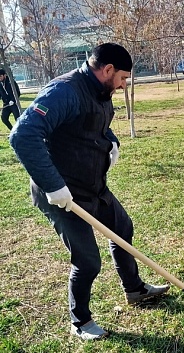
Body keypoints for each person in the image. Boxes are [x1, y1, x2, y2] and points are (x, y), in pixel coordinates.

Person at [9, 43, 170, 341]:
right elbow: (23, 135)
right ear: (107, 70)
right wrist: (54, 186)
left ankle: (134, 289)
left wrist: (111, 141)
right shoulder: (65, 92)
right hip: (62, 193)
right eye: (122, 78)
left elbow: (96, 126)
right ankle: (80, 321)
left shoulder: (100, 90)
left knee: (122, 229)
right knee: (87, 262)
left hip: (93, 185)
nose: (123, 85)